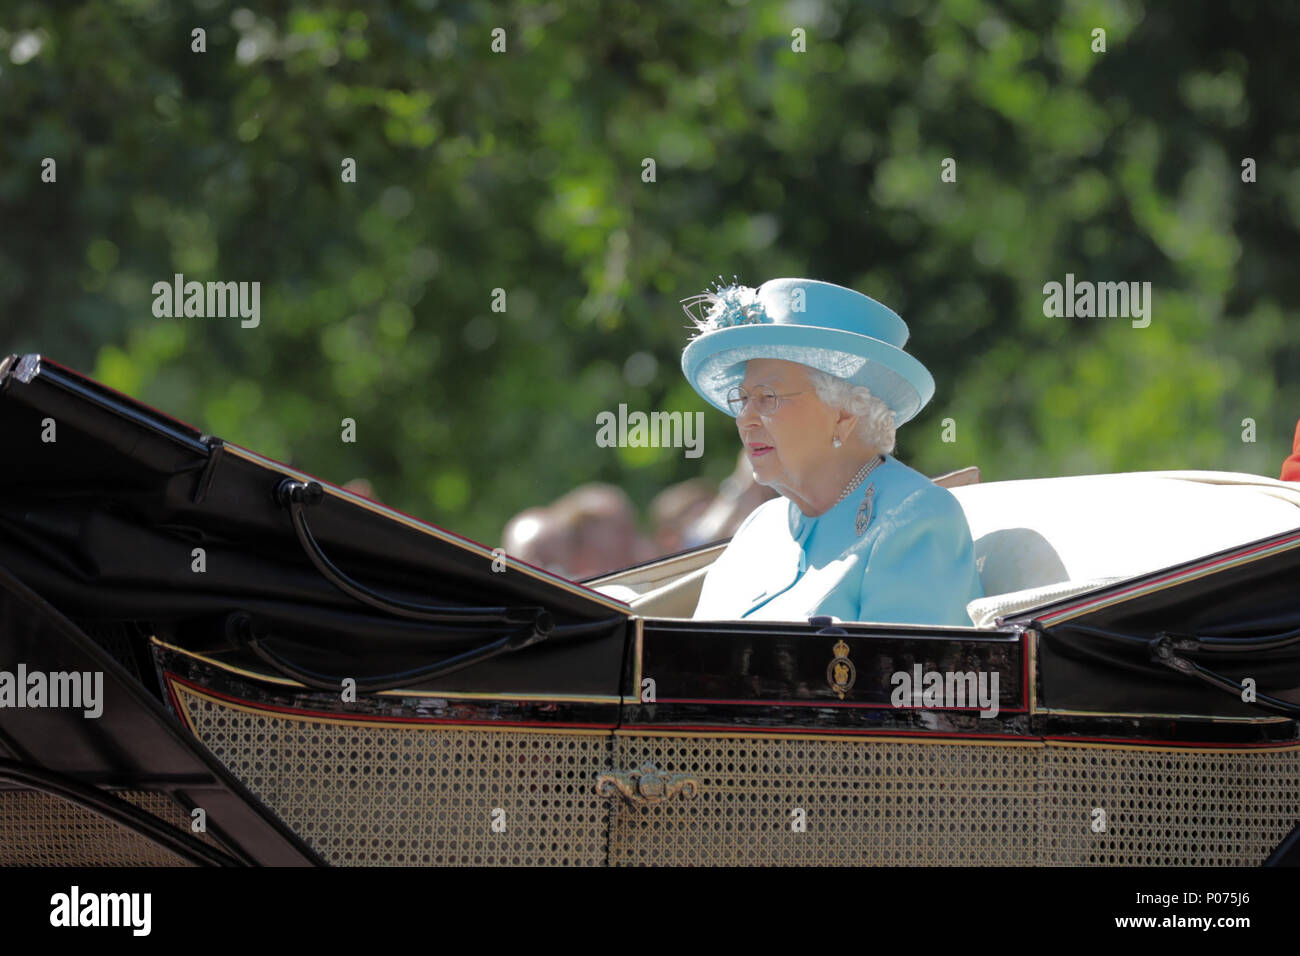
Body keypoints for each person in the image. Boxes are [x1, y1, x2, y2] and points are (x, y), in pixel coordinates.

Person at [679, 276, 983, 625]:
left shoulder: (915, 517)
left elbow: (904, 674)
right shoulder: (760, 527)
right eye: (744, 398)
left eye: (767, 397)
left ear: (844, 414)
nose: (744, 418)